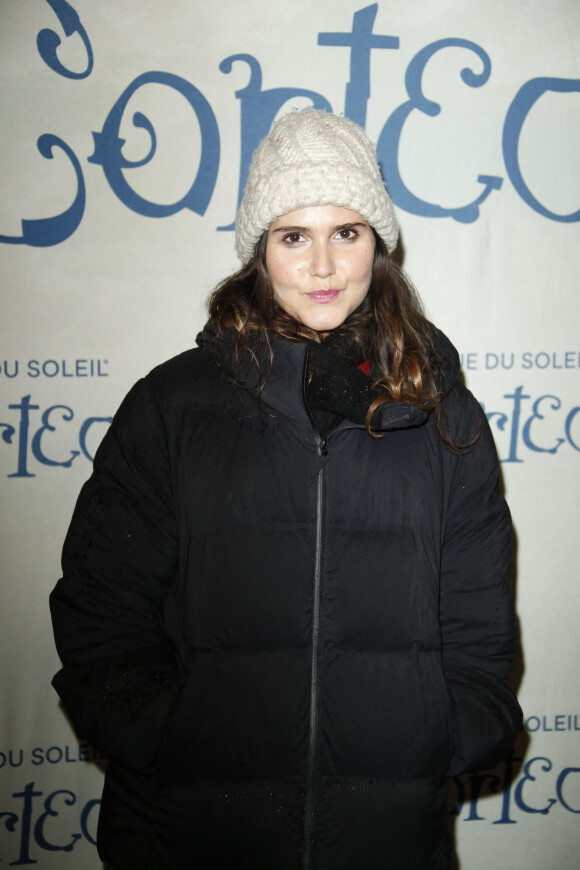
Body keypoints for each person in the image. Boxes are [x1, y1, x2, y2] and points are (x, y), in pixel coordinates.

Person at [50, 108, 521, 870]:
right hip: (189, 831)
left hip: (386, 836)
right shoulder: (172, 407)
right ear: (259, 253)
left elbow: (480, 625)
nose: (324, 266)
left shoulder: (443, 415)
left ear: (379, 245)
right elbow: (101, 614)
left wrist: (440, 732)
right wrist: (172, 734)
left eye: (348, 232)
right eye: (294, 236)